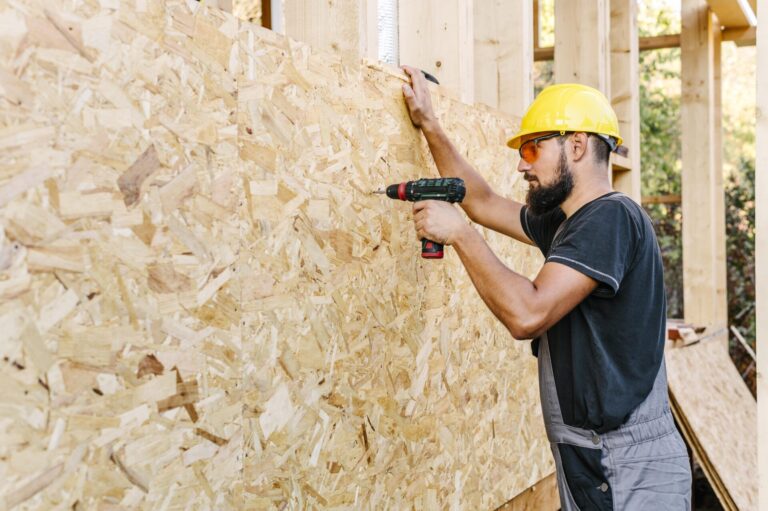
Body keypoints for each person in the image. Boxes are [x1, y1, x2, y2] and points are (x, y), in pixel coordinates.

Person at [400, 65, 692, 510]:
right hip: (589, 455)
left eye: (532, 149)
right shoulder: (570, 222)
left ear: (576, 145)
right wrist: (430, 125)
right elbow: (482, 202)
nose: (522, 164)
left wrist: (458, 234)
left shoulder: (610, 218)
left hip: (626, 461)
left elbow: (528, 314)